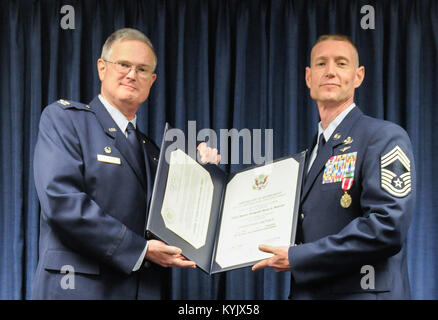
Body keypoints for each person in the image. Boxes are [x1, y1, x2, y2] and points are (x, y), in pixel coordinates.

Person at [32, 28, 218, 300]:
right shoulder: (65, 120)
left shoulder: (154, 152)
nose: (132, 75)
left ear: (152, 80)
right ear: (102, 68)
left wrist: (201, 173)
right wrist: (140, 250)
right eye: (123, 64)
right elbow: (62, 203)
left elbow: (173, 222)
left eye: (142, 69)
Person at [252, 34, 416, 300]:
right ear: (308, 77)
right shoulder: (308, 156)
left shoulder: (384, 136)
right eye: (320, 64)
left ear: (358, 75)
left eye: (341, 63)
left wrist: (299, 256)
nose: (329, 71)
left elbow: (387, 226)